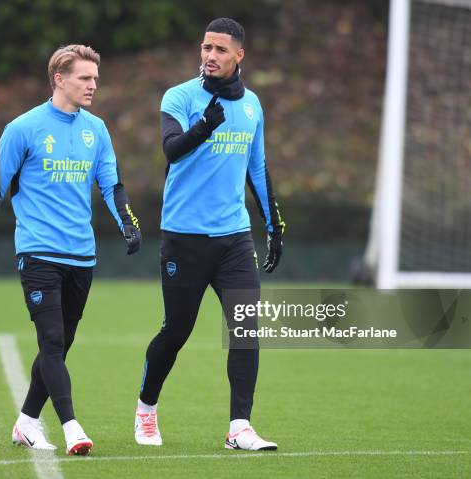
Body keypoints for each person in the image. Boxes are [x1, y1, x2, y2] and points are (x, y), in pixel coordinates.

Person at [0, 44, 141, 456]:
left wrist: (127, 223)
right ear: (59, 78)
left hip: (82, 256)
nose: (93, 85)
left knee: (59, 345)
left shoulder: (98, 129)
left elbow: (111, 185)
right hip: (38, 253)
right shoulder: (23, 128)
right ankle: (72, 426)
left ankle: (25, 423)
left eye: (95, 78)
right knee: (53, 341)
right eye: (84, 78)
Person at [134, 18, 284, 451]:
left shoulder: (253, 104)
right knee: (176, 331)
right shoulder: (179, 97)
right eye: (205, 48)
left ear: (239, 55)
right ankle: (146, 408)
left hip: (234, 238)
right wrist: (204, 126)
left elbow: (258, 169)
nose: (210, 56)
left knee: (245, 328)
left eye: (220, 50)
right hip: (184, 236)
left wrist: (273, 227)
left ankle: (240, 427)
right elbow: (172, 149)